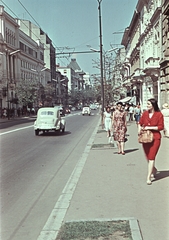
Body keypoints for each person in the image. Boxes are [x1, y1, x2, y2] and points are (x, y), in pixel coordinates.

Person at [138, 98, 164, 185]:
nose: (147, 105)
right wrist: (139, 130)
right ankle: (154, 169)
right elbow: (140, 123)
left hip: (155, 138)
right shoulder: (145, 113)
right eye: (147, 104)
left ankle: (148, 177)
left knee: (151, 157)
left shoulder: (159, 114)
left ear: (153, 105)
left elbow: (161, 127)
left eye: (149, 104)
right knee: (147, 157)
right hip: (145, 138)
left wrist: (150, 127)